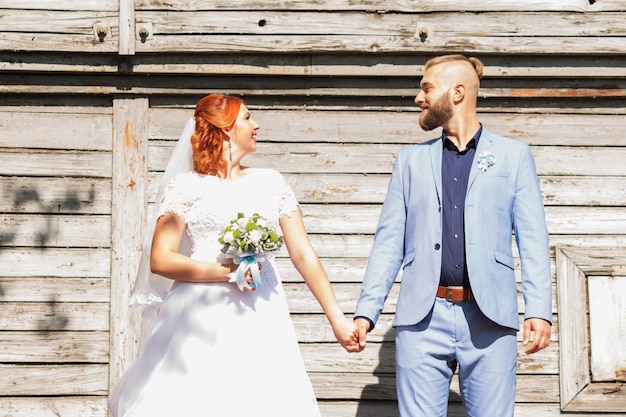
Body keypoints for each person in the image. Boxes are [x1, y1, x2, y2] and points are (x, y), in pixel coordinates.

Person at [108, 93, 360, 417]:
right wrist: (226, 272)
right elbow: (161, 259)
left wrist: (336, 319)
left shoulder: (272, 183)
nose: (256, 124)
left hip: (262, 312)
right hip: (197, 317)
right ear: (225, 129)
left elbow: (304, 254)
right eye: (247, 118)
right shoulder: (185, 187)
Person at [352, 54, 552, 416]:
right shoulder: (409, 161)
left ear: (457, 92)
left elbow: (533, 239)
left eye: (426, 88)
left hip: (490, 318)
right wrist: (367, 312)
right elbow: (388, 242)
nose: (418, 98)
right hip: (422, 319)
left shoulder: (514, 157)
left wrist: (539, 310)